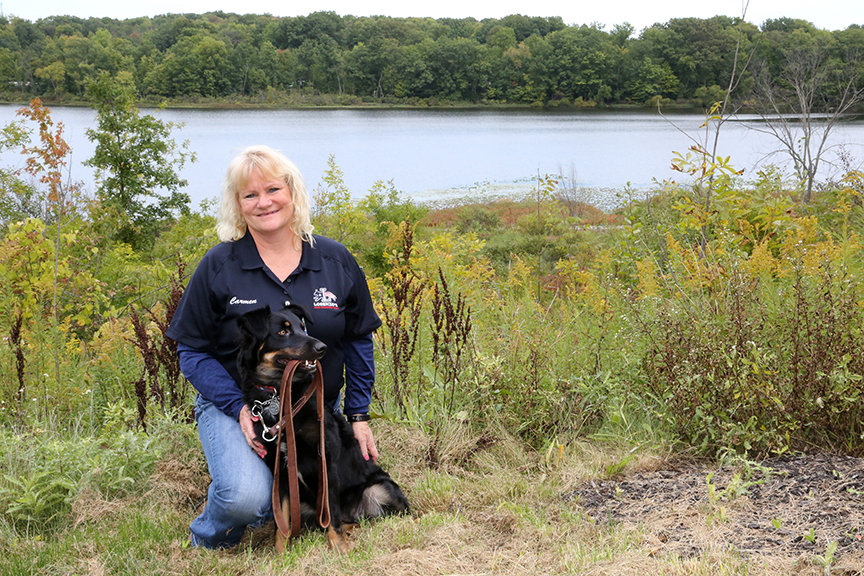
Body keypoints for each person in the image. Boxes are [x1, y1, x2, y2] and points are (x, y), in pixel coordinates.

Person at [166, 145, 382, 549]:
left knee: (322, 496)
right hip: (238, 405)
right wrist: (237, 407)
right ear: (238, 205)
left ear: (292, 192)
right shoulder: (219, 265)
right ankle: (211, 532)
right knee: (246, 499)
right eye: (250, 195)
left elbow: (358, 338)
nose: (264, 202)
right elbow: (191, 351)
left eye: (272, 190)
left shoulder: (333, 260)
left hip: (314, 408)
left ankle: (261, 495)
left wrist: (358, 413)